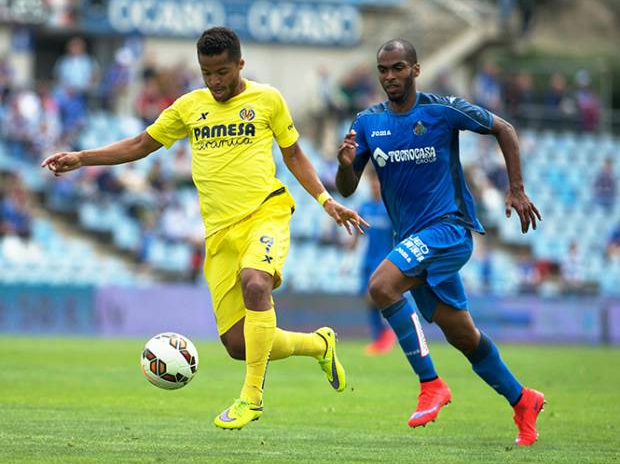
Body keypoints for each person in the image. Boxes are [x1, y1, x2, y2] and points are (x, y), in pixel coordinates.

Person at [42, 27, 368, 431]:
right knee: (238, 344)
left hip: (266, 213)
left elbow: (295, 154)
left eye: (222, 72)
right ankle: (319, 344)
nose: (214, 82)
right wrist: (82, 158)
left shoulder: (267, 100)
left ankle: (251, 398)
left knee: (255, 283)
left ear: (240, 64)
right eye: (206, 73)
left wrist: (326, 200)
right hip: (219, 233)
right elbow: (141, 144)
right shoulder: (188, 106)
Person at [335, 38, 544, 446]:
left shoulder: (441, 111)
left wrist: (516, 188)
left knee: (381, 286)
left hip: (448, 231)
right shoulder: (366, 123)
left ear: (415, 69)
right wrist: (345, 168)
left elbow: (505, 128)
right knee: (464, 336)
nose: (390, 76)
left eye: (398, 68)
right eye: (383, 70)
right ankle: (523, 400)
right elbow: (346, 188)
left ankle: (430, 383)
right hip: (415, 242)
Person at [348, 167, 396, 354]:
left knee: (372, 296)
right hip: (367, 259)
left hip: (385, 260)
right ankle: (379, 338)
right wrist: (349, 252)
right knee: (367, 299)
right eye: (373, 182)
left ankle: (386, 332)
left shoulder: (390, 207)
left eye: (378, 182)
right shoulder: (365, 207)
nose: (375, 185)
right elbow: (358, 235)